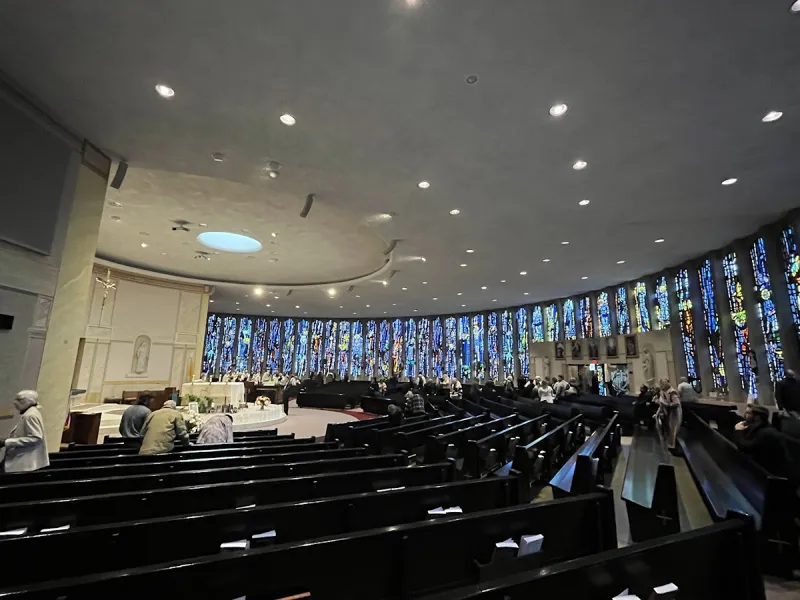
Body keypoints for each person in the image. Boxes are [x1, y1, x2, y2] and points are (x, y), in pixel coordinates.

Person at [0, 390, 49, 473]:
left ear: (28, 401)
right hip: (20, 460)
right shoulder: (30, 413)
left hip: (23, 462)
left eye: (19, 400)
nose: (15, 403)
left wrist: (6, 442)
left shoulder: (30, 416)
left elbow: (36, 438)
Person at [735, 405, 789, 476]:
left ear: (758, 417)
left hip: (773, 475)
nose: (744, 415)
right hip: (764, 469)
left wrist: (738, 431)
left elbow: (746, 448)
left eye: (748, 413)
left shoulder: (766, 432)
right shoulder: (760, 427)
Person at [655, 379, 682, 451]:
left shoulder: (672, 392)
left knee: (673, 428)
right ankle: (668, 445)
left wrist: (667, 405)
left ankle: (672, 447)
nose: (662, 386)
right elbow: (662, 403)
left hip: (675, 413)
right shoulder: (664, 392)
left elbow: (677, 403)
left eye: (663, 384)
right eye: (661, 384)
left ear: (667, 384)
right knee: (668, 428)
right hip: (668, 412)